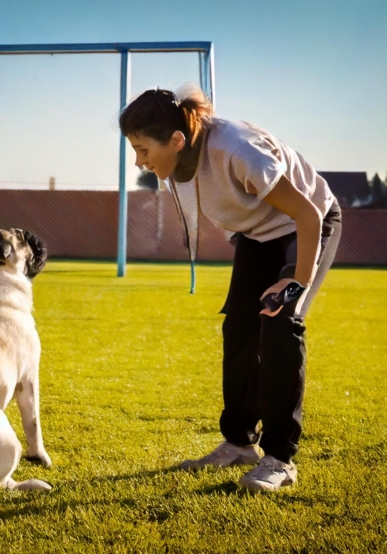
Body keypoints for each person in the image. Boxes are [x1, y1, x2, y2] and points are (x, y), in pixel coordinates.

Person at [119, 86, 342, 492]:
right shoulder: (175, 163)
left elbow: (308, 215)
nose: (140, 161)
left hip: (307, 227)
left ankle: (280, 459)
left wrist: (296, 281)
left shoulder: (238, 151)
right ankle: (239, 443)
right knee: (239, 328)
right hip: (258, 236)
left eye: (143, 150)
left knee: (278, 321)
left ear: (176, 140)